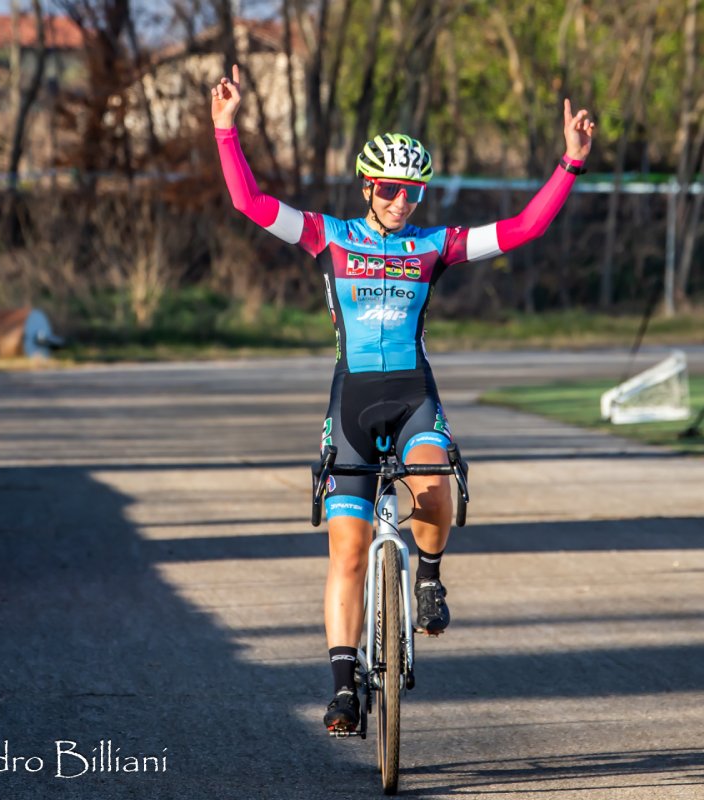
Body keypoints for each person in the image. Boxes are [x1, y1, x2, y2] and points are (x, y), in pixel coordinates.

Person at [211, 63, 595, 734]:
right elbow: (249, 204)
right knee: (349, 551)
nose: (401, 201)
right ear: (368, 186)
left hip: (414, 395)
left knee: (435, 483)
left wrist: (569, 162)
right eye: (389, 189)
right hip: (353, 403)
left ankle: (429, 577)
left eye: (412, 192)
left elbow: (523, 229)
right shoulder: (330, 237)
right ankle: (342, 688)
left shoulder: (432, 245)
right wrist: (225, 130)